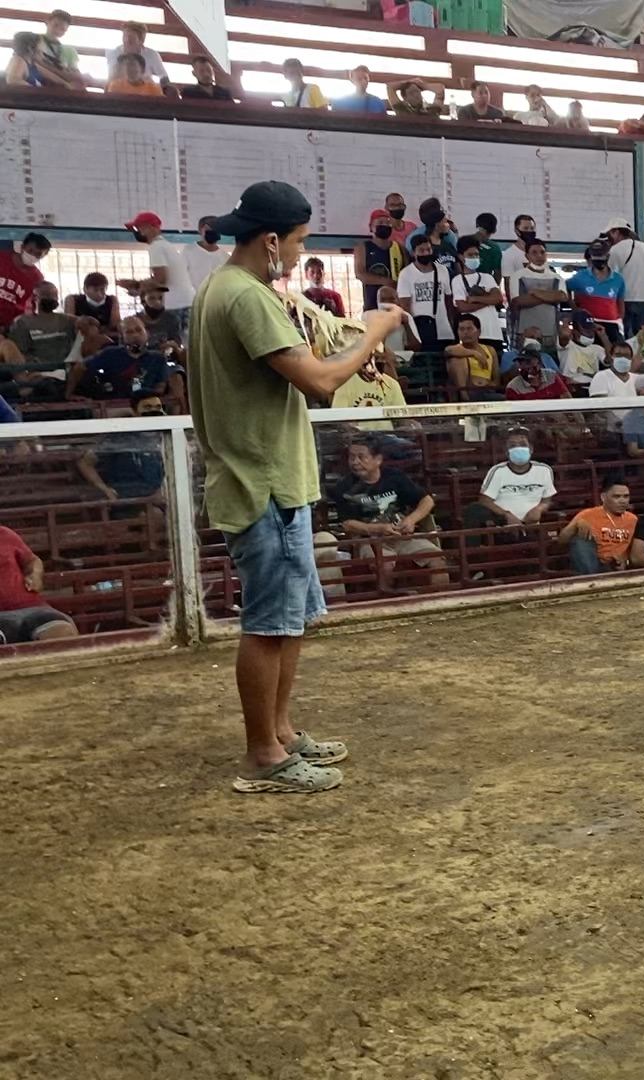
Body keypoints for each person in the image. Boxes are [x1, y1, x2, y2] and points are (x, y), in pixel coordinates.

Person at [189, 181, 403, 794]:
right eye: (300, 241)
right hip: (263, 480)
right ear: (271, 239)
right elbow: (320, 382)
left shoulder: (227, 289)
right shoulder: (245, 295)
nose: (299, 251)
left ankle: (279, 733)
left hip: (271, 477)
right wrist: (374, 332)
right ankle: (263, 754)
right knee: (268, 623)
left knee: (288, 620)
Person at [330, 437, 447, 592]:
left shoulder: (394, 477)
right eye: (352, 457)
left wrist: (411, 520)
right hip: (370, 540)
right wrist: (378, 528)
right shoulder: (344, 486)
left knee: (437, 560)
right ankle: (391, 601)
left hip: (402, 535)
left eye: (361, 457)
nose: (355, 462)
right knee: (383, 564)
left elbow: (427, 501)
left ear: (378, 459)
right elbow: (347, 524)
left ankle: (440, 600)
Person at [120, 212, 199, 341]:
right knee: (188, 343)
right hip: (186, 302)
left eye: (138, 228)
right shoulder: (165, 246)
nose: (137, 232)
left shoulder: (156, 247)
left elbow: (161, 279)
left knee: (174, 344)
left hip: (176, 305)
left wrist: (136, 285)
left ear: (151, 227)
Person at [465, 428, 555, 534]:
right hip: (504, 527)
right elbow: (485, 500)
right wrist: (507, 516)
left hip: (532, 526)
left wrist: (539, 509)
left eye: (523, 444)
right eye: (512, 445)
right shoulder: (498, 471)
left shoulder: (544, 470)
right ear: (506, 452)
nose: (518, 448)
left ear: (531, 449)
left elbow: (547, 500)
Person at [0, 525, 77, 645]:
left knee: (62, 632)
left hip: (34, 609)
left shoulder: (4, 533)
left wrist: (35, 574)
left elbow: (32, 561)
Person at [559, 475, 639, 574]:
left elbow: (635, 549)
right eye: (616, 496)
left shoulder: (633, 519)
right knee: (580, 541)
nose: (623, 501)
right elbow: (561, 540)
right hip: (594, 563)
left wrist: (625, 561)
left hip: (618, 566)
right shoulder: (587, 514)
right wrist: (575, 525)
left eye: (626, 496)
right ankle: (592, 579)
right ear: (603, 497)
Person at [604, 216, 644, 335]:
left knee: (626, 336)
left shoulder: (614, 250)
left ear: (616, 232)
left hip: (624, 301)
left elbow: (610, 278)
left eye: (610, 233)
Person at [508, 239, 567, 348]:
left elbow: (562, 296)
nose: (539, 256)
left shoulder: (556, 277)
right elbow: (518, 301)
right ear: (527, 255)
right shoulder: (518, 276)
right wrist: (550, 297)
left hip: (550, 333)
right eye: (534, 252)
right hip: (525, 333)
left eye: (542, 252)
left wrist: (536, 292)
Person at [397, 234, 454, 347]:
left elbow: (448, 301)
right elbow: (405, 306)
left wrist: (452, 325)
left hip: (443, 330)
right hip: (420, 329)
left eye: (428, 249)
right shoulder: (406, 274)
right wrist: (410, 332)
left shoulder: (442, 270)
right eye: (421, 250)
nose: (426, 253)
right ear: (413, 253)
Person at [450, 235, 506, 346]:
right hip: (473, 336)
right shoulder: (457, 280)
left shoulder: (487, 277)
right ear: (461, 257)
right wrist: (488, 301)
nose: (475, 258)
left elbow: (498, 298)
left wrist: (475, 299)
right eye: (470, 255)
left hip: (493, 333)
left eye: (476, 255)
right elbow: (463, 307)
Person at [567, 240, 627, 342]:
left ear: (607, 256)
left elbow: (621, 303)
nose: (598, 259)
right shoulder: (580, 276)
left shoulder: (618, 279)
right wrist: (575, 309)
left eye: (601, 255)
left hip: (612, 325)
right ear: (590, 256)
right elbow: (565, 289)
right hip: (588, 324)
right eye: (595, 255)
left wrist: (619, 319)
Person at [443, 314, 497, 399]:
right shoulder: (456, 349)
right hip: (469, 390)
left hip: (488, 391)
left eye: (469, 329)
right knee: (456, 359)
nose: (465, 332)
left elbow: (496, 379)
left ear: (479, 332)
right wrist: (474, 354)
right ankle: (465, 399)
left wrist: (490, 386)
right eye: (461, 329)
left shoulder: (490, 350)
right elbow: (448, 350)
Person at [556, 319, 607, 387]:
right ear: (575, 331)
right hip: (572, 386)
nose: (590, 333)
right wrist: (565, 326)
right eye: (586, 330)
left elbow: (610, 361)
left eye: (591, 330)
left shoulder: (596, 348)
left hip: (593, 386)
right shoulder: (568, 346)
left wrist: (603, 336)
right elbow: (564, 337)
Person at [504, 349, 569, 401]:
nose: (524, 366)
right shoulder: (513, 388)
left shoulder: (552, 377)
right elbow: (514, 411)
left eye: (528, 362)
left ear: (539, 363)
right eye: (520, 363)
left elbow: (567, 400)